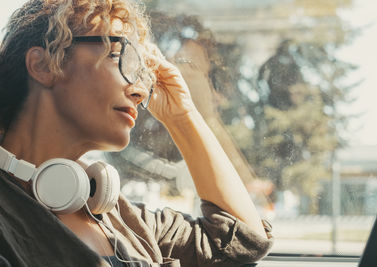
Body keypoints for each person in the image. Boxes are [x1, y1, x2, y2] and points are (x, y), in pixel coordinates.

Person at [0, 0, 273, 266]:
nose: (140, 90)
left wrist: (182, 116)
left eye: (139, 72)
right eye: (119, 57)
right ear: (43, 65)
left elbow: (244, 243)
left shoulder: (122, 217)